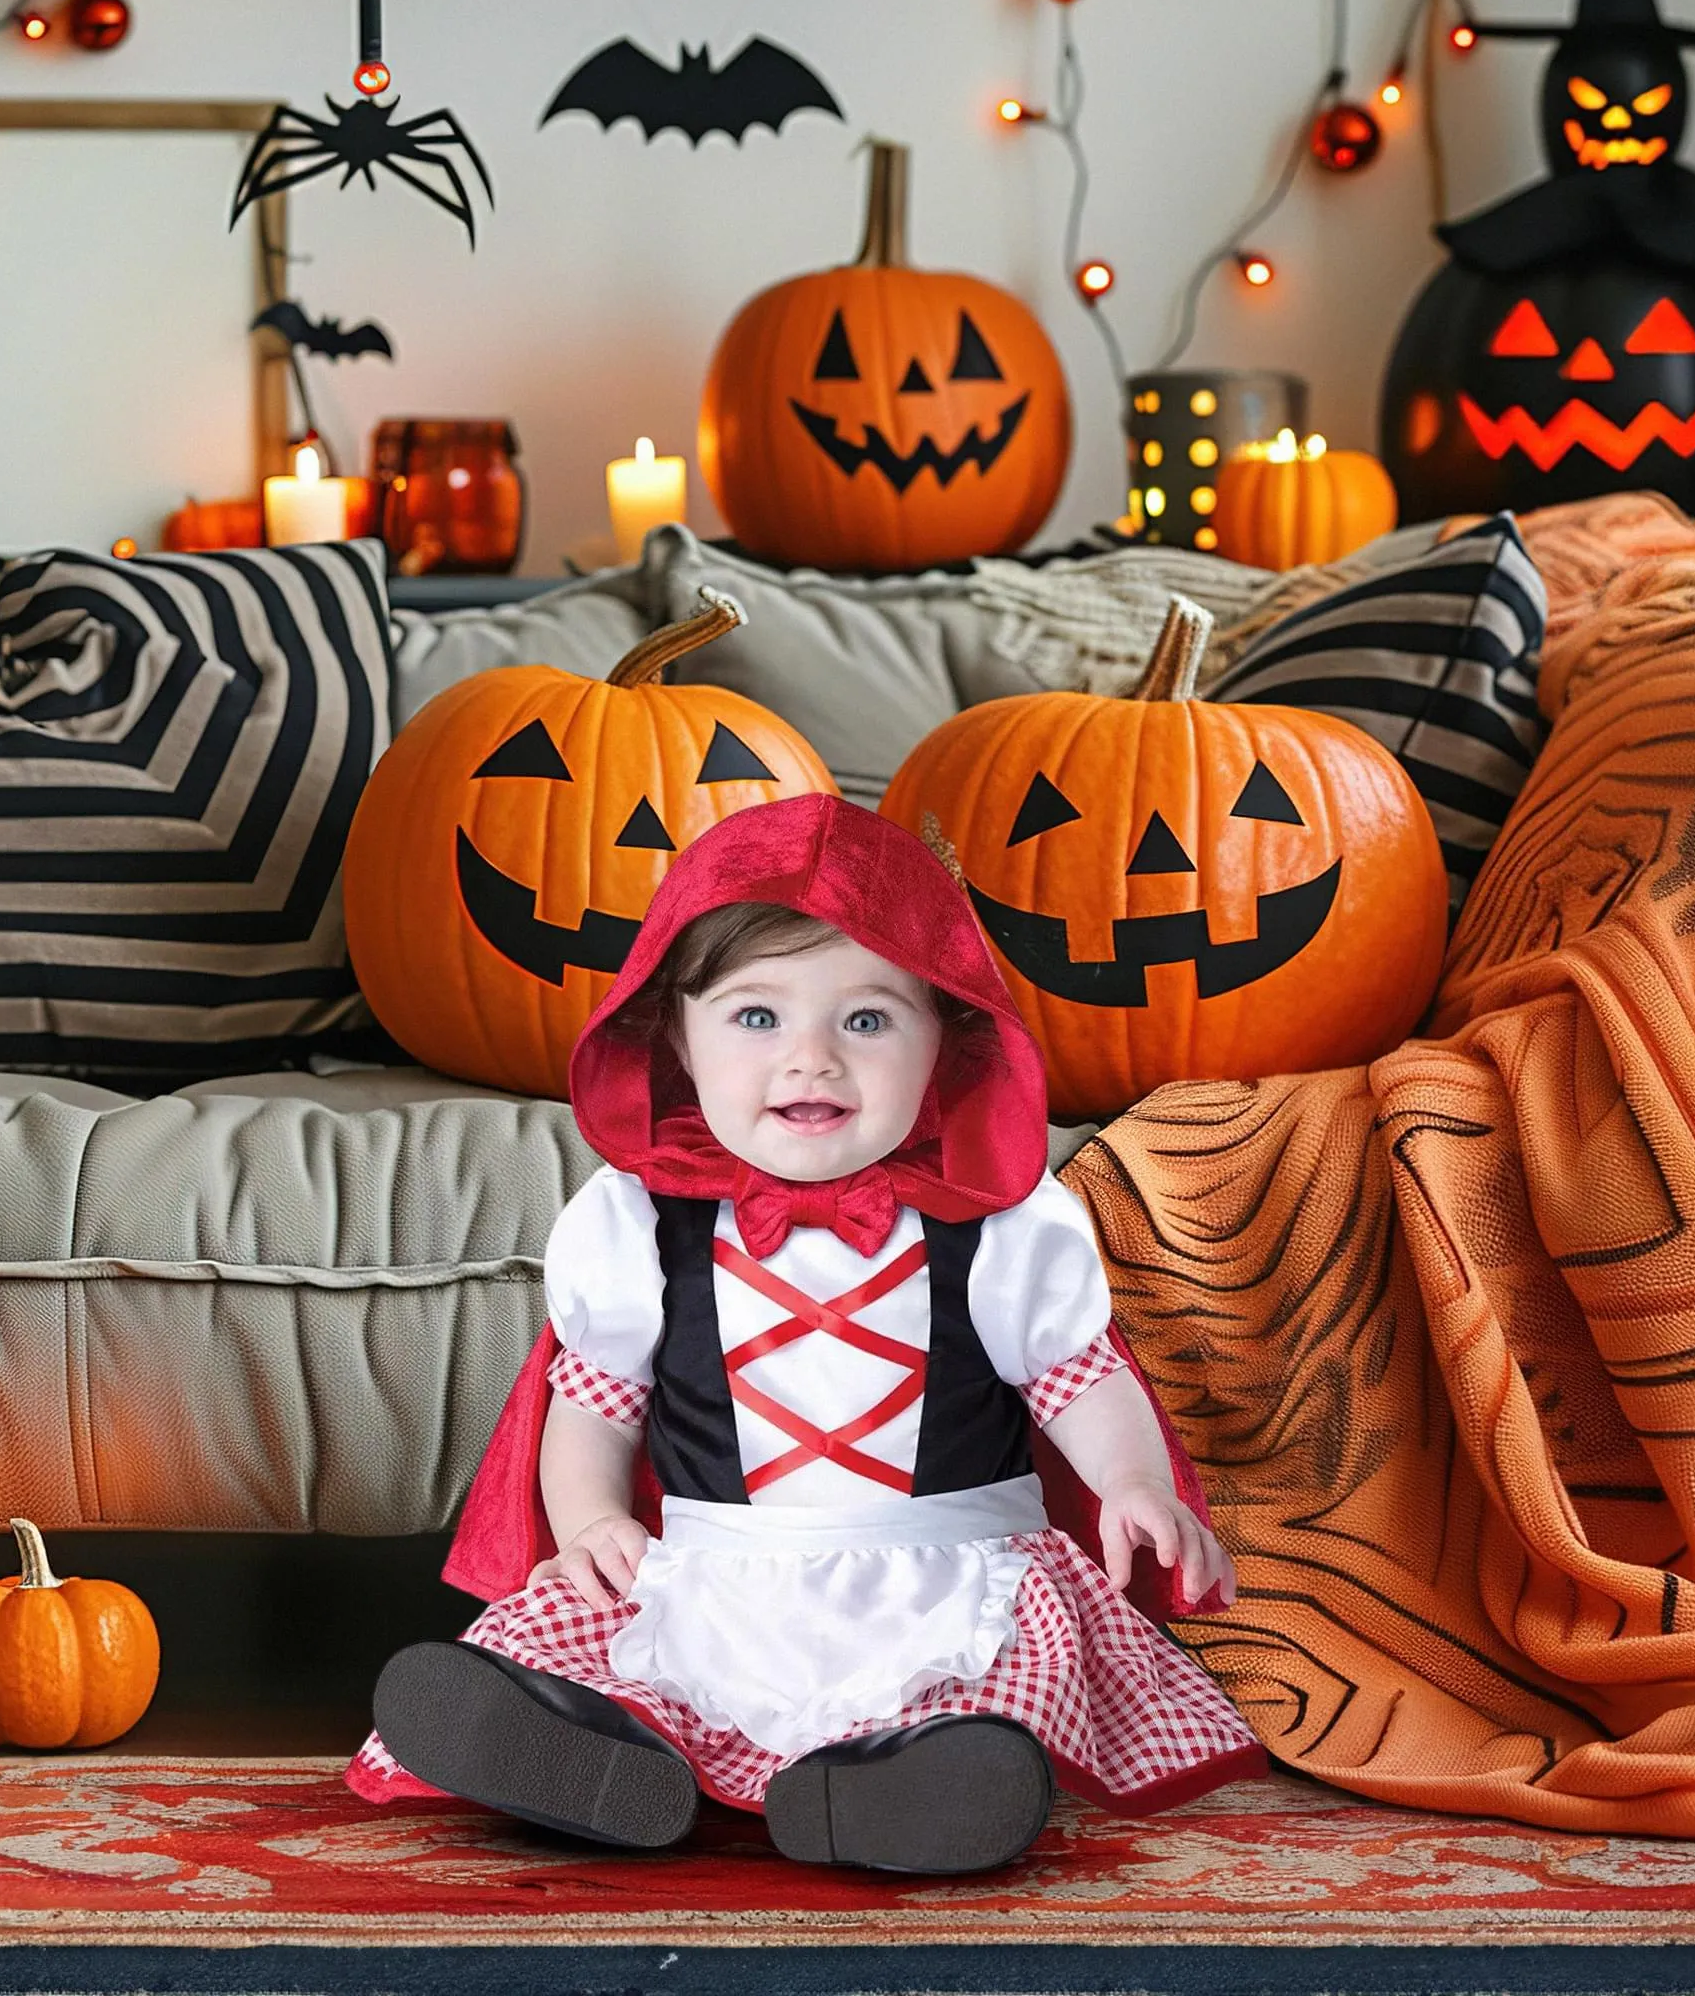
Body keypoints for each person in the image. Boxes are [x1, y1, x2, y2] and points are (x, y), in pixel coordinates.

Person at [348, 793, 1262, 1873]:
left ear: (948, 1040)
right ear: (673, 1040)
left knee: (972, 1687)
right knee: (617, 1639)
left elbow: (1075, 1374)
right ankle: (590, 1750)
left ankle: (906, 1784)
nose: (812, 1060)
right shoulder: (636, 1216)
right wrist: (588, 1519)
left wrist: (1134, 1486)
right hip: (714, 1563)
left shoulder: (1002, 1217)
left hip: (947, 1565)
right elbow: (592, 1400)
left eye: (866, 1019)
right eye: (755, 1016)